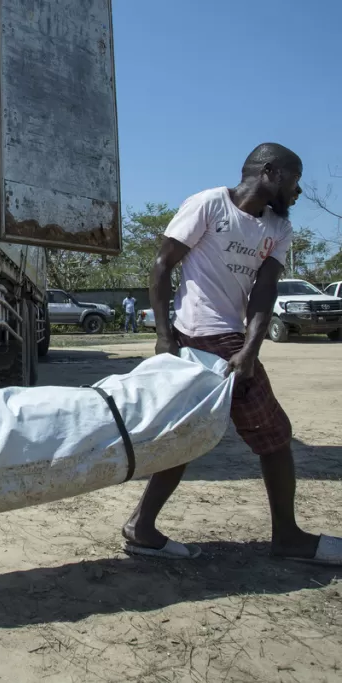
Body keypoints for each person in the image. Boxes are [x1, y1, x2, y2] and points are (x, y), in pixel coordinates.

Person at [121, 143, 341, 565]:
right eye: (294, 180)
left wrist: (251, 351)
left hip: (231, 341)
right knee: (275, 437)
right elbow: (162, 266)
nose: (297, 192)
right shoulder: (208, 204)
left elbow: (264, 291)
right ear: (271, 172)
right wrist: (165, 338)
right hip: (195, 336)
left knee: (187, 438)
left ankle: (141, 526)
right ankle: (288, 538)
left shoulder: (278, 229)